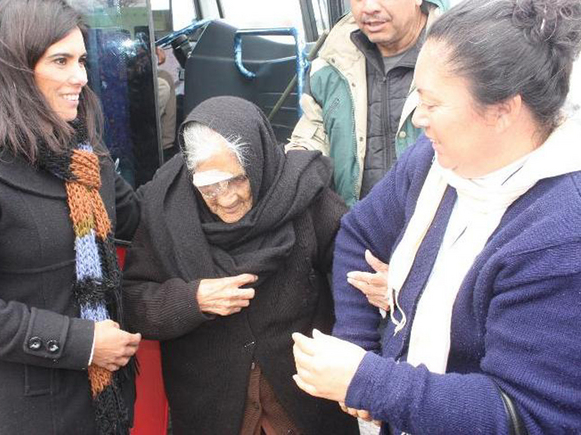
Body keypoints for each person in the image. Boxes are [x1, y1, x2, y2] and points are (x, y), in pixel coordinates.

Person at [292, 0, 581, 433]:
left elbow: (524, 414)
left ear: (503, 110)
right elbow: (358, 233)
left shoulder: (559, 236)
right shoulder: (432, 163)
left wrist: (367, 381)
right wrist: (358, 343)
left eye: (432, 102)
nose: (418, 117)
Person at [0, 1, 141, 434]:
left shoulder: (86, 156)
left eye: (81, 61)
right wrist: (82, 343)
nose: (80, 77)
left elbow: (139, 218)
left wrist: (213, 177)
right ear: (16, 69)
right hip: (30, 414)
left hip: (108, 404)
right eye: (61, 61)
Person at [122, 96, 357, 435]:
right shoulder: (167, 210)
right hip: (209, 410)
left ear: (259, 162)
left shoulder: (303, 194)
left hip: (307, 405)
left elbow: (352, 269)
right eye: (209, 187)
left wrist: (349, 346)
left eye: (237, 180)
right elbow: (132, 302)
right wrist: (192, 300)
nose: (227, 197)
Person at [287, 0, 448, 207]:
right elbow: (312, 138)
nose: (370, 7)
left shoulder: (461, 58)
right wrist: (293, 171)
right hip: (351, 221)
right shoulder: (330, 66)